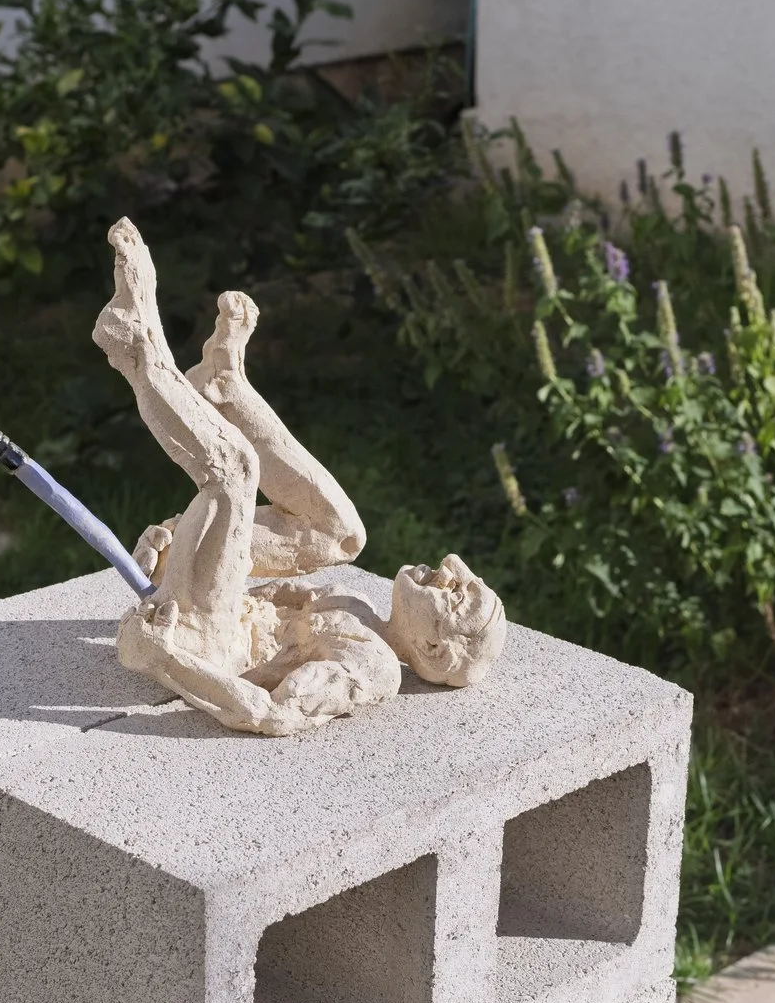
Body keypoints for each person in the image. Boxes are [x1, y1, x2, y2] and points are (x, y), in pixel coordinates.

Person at [92, 218, 505, 736]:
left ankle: (135, 349)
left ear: (435, 648)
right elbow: (256, 573)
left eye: (459, 595)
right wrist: (184, 549)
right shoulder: (360, 609)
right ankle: (225, 387)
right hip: (215, 604)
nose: (452, 565)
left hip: (202, 638)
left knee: (235, 471)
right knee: (343, 536)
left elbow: (272, 714)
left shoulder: (373, 666)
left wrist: (162, 656)